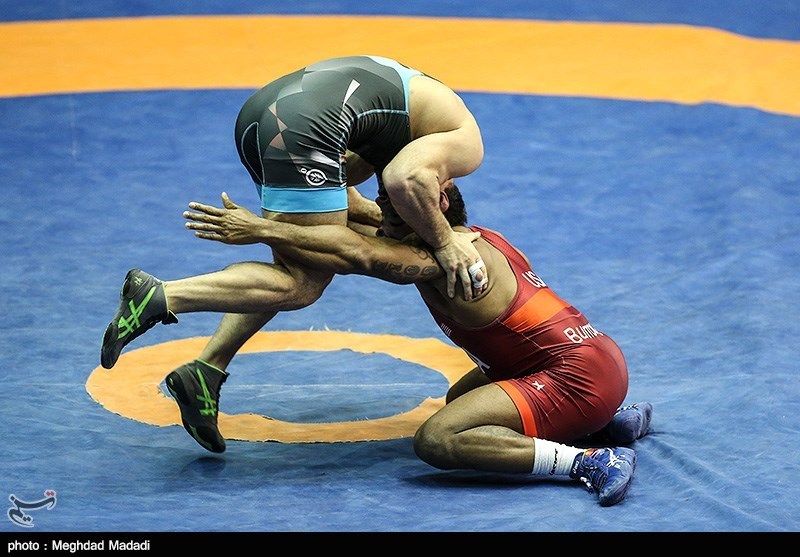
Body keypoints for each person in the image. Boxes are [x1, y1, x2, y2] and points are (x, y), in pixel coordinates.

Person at [179, 183, 653, 506]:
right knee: (459, 400)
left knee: (440, 438)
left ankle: (590, 459)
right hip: (594, 359)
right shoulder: (473, 238)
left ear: (432, 207)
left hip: (575, 379)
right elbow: (361, 217)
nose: (380, 210)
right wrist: (316, 176)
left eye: (391, 204)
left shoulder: (445, 263)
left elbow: (357, 252)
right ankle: (604, 424)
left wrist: (260, 230)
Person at [101, 55, 488, 447]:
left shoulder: (409, 131)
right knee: (302, 282)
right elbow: (403, 185)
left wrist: (389, 226)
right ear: (441, 194)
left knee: (299, 255)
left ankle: (206, 370)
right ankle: (162, 296)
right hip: (303, 123)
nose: (385, 226)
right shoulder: (466, 146)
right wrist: (444, 242)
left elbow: (344, 196)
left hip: (262, 115)